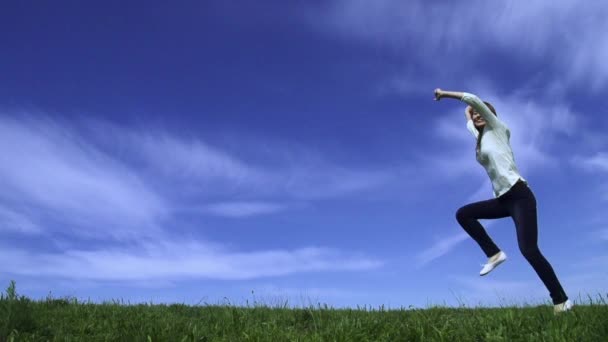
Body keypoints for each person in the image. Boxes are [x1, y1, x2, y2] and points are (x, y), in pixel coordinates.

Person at [433, 88, 572, 314]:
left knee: (529, 250)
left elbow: (473, 101)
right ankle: (494, 254)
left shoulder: (497, 128)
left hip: (519, 195)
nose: (477, 115)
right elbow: (470, 118)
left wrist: (444, 94)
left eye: (482, 113)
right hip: (503, 200)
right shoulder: (480, 138)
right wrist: (469, 114)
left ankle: (561, 301)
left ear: (490, 115)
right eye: (476, 114)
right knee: (463, 214)